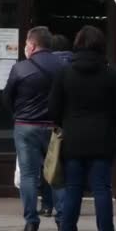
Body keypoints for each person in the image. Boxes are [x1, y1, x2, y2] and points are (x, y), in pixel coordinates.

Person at [49, 25, 116, 231]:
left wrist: (65, 123)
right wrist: (112, 125)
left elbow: (53, 108)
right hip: (102, 140)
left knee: (73, 190)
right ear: (101, 46)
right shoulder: (112, 74)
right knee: (102, 190)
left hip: (73, 140)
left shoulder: (64, 73)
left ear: (77, 44)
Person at [3, 26, 66, 231]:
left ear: (32, 45)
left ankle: (31, 222)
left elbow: (7, 98)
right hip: (54, 128)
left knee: (29, 175)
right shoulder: (63, 67)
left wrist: (19, 114)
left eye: (26, 45)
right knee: (56, 173)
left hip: (26, 127)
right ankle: (62, 220)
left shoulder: (20, 68)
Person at [39, 34, 73, 218]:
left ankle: (46, 205)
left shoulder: (47, 64)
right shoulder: (73, 65)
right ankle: (66, 204)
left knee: (49, 164)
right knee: (64, 164)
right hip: (68, 122)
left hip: (46, 120)